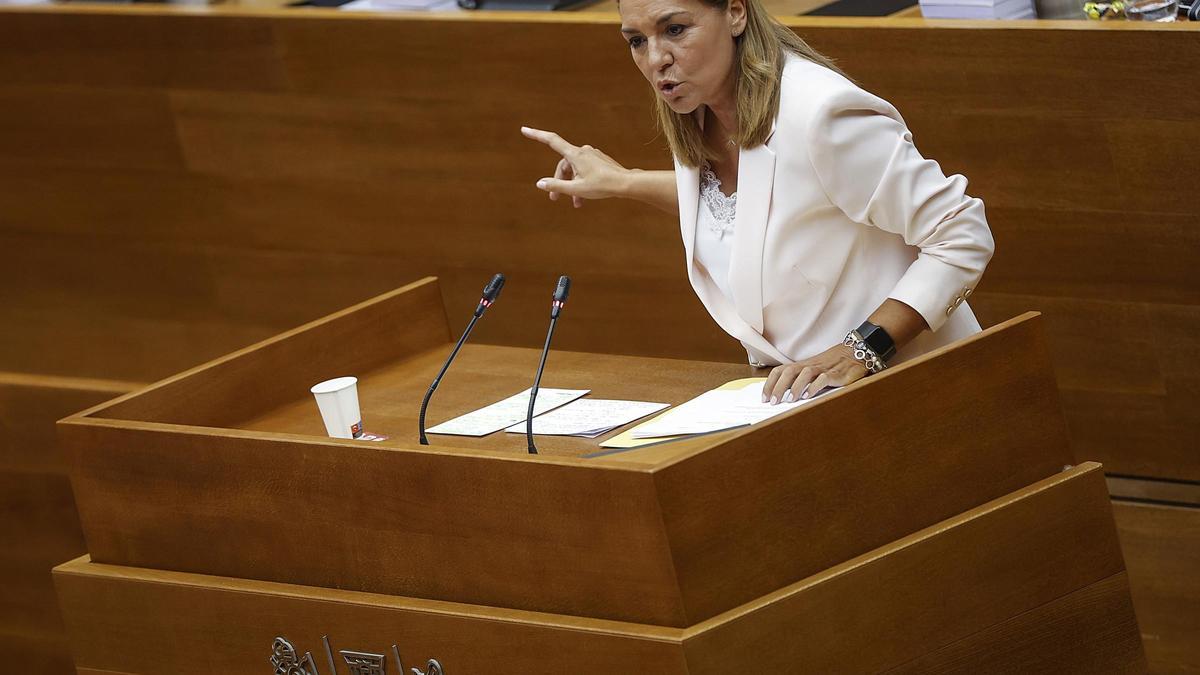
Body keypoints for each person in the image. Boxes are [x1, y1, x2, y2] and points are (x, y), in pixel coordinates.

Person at [521, 0, 994, 405]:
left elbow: (960, 231)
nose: (656, 59)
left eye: (675, 29)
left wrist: (863, 347)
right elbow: (752, 207)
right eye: (636, 41)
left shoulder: (820, 112)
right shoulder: (700, 115)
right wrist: (626, 181)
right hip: (811, 406)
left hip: (923, 389)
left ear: (735, 11)